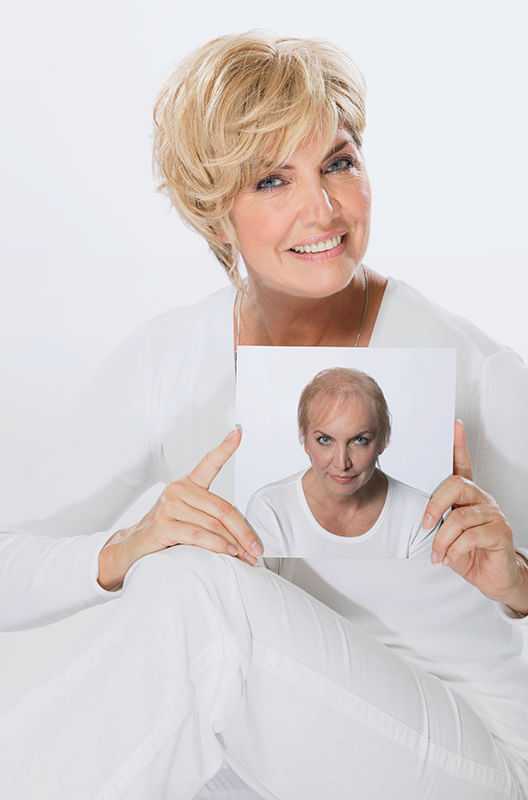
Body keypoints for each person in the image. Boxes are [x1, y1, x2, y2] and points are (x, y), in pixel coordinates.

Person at [1, 29, 528, 800]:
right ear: (216, 212)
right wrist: (120, 550)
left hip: (476, 754)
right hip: (275, 741)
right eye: (272, 181)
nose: (322, 209)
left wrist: (518, 584)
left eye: (338, 164)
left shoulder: (470, 371)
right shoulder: (172, 360)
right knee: (173, 577)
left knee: (194, 593)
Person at [245, 366, 438, 559]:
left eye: (359, 440)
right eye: (325, 440)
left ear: (383, 439)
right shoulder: (271, 509)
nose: (341, 463)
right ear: (304, 439)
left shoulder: (421, 514)